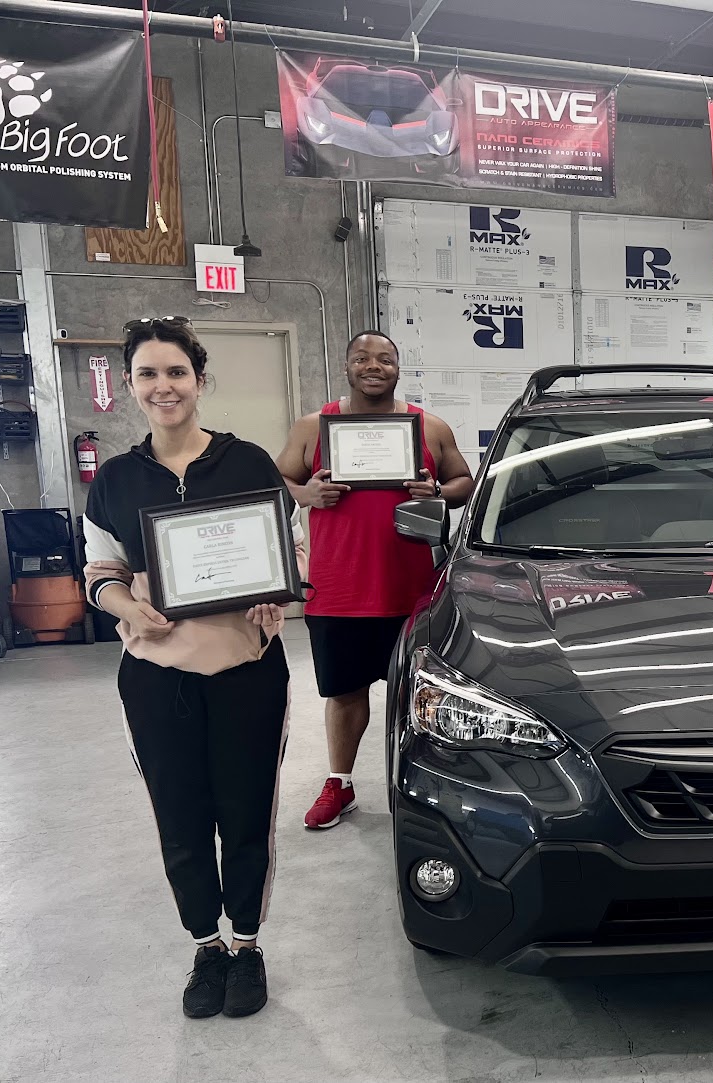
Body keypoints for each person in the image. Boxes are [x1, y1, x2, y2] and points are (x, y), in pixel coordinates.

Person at [82, 315, 302, 1019]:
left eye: (176, 371)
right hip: (155, 678)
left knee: (245, 813)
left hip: (246, 673)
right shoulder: (114, 480)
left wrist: (274, 595)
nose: (164, 385)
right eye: (148, 373)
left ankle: (246, 944)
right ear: (129, 387)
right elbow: (100, 571)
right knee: (179, 817)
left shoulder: (249, 463)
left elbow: (284, 557)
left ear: (199, 381)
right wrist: (126, 606)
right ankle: (205, 946)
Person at [277, 330, 474, 830]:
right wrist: (306, 493)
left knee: (422, 696)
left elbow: (464, 483)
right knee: (344, 694)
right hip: (338, 589)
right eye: (362, 358)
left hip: (413, 592)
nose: (373, 366)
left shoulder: (428, 428)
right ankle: (339, 783)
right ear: (346, 366)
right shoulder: (313, 427)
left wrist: (435, 489)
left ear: (398, 368)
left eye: (384, 358)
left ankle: (430, 786)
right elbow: (275, 482)